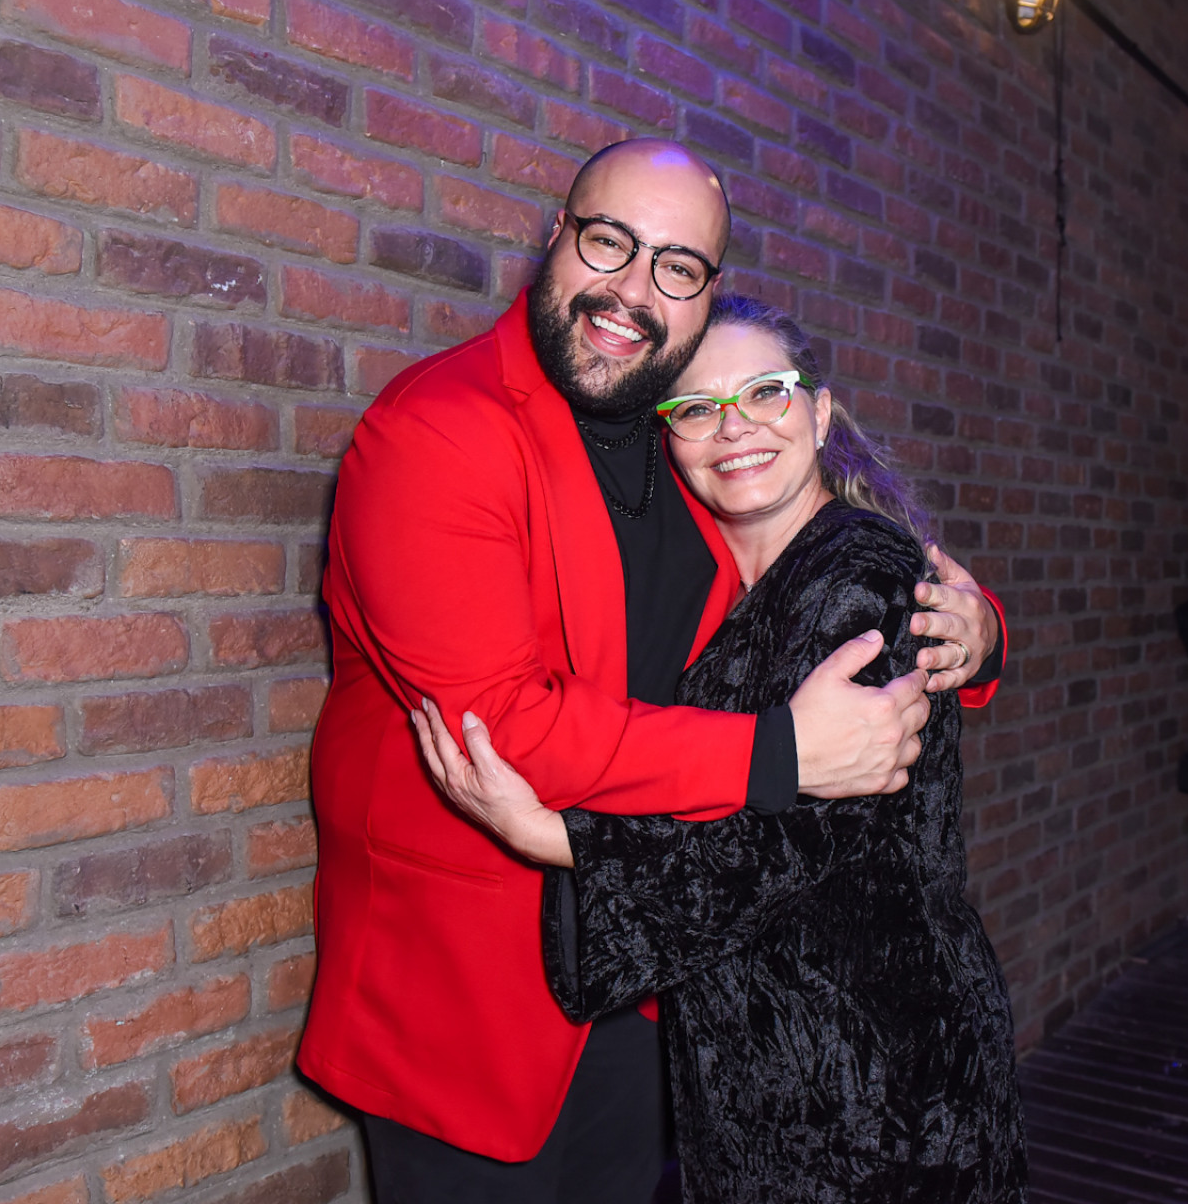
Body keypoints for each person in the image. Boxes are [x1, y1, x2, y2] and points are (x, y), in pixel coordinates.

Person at [300, 138, 1006, 1203]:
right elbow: (507, 728)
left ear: (707, 293)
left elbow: (823, 567)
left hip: (653, 983)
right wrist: (780, 751)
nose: (634, 289)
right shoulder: (438, 433)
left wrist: (980, 631)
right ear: (554, 238)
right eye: (610, 243)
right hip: (474, 998)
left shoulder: (685, 440)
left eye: (678, 266)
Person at [412, 294, 1028, 1203]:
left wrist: (560, 840)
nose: (734, 428)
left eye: (767, 394)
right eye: (699, 407)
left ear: (820, 413)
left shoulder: (857, 577)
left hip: (876, 1077)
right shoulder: (730, 578)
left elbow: (802, 837)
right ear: (671, 435)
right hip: (777, 1064)